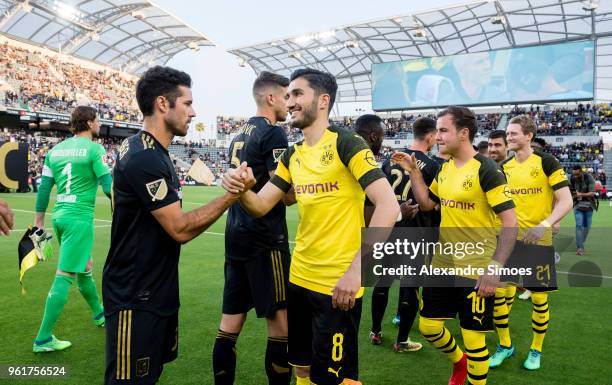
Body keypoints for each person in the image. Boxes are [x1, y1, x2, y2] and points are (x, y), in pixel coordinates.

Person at [222, 68, 399, 385]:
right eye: (288, 95)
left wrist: (357, 269)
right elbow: (262, 204)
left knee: (334, 378)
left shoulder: (348, 144)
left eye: (297, 94)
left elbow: (389, 206)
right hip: (299, 278)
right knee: (301, 368)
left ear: (323, 100)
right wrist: (240, 189)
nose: (289, 101)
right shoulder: (293, 155)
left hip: (339, 284)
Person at [103, 66, 251, 384]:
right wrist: (232, 194)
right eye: (187, 103)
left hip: (155, 291)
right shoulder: (145, 157)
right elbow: (179, 229)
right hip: (135, 296)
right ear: (162, 104)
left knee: (149, 376)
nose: (193, 111)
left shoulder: (152, 150)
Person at [392, 106, 517, 385]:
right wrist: (414, 171)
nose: (438, 136)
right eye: (437, 131)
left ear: (464, 133)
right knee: (428, 326)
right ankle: (459, 363)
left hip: (476, 265)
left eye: (444, 130)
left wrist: (494, 268)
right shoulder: (446, 169)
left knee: (474, 340)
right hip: (443, 262)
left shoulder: (487, 170)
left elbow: (510, 223)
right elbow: (427, 204)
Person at [213, 71, 294, 385]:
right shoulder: (273, 133)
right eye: (286, 97)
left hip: (236, 235)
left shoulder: (239, 132)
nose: (289, 104)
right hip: (265, 238)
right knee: (281, 323)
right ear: (271, 98)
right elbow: (284, 194)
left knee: (229, 324)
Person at [490, 115, 572, 371]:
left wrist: (545, 225)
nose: (509, 137)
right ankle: (505, 345)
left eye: (514, 133)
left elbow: (566, 200)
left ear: (529, 136)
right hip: (508, 242)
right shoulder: (504, 168)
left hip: (538, 242)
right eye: (508, 134)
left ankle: (536, 349)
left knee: (538, 299)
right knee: (499, 297)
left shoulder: (547, 162)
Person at [31, 106, 111, 353]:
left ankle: (99, 314)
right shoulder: (95, 149)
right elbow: (109, 186)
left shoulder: (54, 151)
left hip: (60, 217)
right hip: (79, 220)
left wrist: (38, 223)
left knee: (84, 269)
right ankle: (43, 339)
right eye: (97, 120)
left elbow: (44, 189)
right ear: (88, 122)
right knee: (65, 275)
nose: (100, 124)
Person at [357, 116, 439, 353]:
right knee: (410, 287)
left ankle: (375, 331)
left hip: (387, 229)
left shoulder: (391, 159)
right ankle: (402, 340)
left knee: (382, 283)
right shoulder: (432, 166)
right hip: (414, 233)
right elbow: (431, 204)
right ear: (431, 137)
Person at [570, 165, 596, 255]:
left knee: (587, 227)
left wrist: (580, 194)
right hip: (578, 205)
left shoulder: (589, 177)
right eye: (574, 174)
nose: (575, 176)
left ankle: (580, 241)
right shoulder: (572, 178)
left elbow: (592, 193)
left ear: (580, 171)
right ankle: (580, 247)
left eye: (576, 174)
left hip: (589, 205)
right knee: (579, 225)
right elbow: (570, 191)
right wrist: (573, 195)